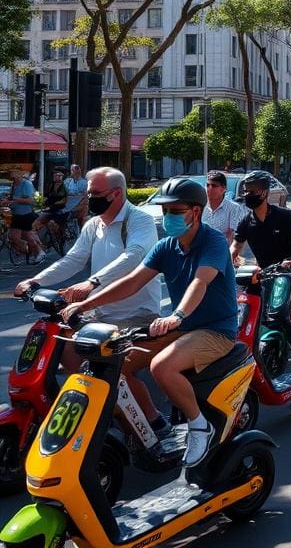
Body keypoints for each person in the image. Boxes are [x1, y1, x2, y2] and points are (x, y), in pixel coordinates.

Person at [61, 177, 238, 467]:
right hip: (181, 328)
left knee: (162, 367)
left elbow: (200, 282)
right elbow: (132, 281)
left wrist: (176, 316)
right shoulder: (167, 246)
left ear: (195, 212)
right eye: (165, 211)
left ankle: (198, 426)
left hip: (214, 330)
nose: (168, 217)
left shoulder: (213, 241)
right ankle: (147, 429)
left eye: (175, 211)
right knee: (110, 364)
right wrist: (86, 302)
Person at [16, 166, 162, 375]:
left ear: (117, 193)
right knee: (64, 347)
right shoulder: (94, 224)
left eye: (95, 193)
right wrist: (36, 281)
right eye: (89, 193)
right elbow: (74, 259)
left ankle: (138, 409)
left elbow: (134, 255)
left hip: (136, 316)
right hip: (99, 311)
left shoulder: (139, 220)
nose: (90, 198)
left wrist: (93, 282)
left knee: (115, 370)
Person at [231, 170, 291, 339]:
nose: (247, 194)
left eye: (252, 190)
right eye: (245, 191)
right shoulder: (245, 222)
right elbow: (234, 248)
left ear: (265, 192)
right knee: (246, 299)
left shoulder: (283, 215)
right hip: (267, 270)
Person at [2, 167, 44, 262]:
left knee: (28, 236)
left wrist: (14, 200)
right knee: (13, 237)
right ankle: (28, 249)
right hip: (16, 214)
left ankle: (39, 251)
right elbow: (12, 198)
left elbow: (30, 200)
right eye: (10, 172)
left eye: (13, 172)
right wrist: (7, 201)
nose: (11, 174)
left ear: (20, 173)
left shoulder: (26, 184)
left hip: (26, 215)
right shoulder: (14, 184)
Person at [201, 171, 246, 243]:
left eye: (214, 186)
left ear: (223, 189)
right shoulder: (200, 207)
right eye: (207, 185)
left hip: (222, 251)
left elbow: (233, 236)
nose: (209, 188)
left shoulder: (234, 208)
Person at [32, 168, 69, 239]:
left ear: (63, 176)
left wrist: (51, 206)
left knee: (52, 224)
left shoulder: (65, 186)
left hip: (61, 211)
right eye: (54, 175)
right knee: (35, 224)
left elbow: (64, 200)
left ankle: (60, 238)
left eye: (58, 175)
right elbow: (46, 196)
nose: (55, 176)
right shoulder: (51, 185)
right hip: (50, 210)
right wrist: (38, 203)